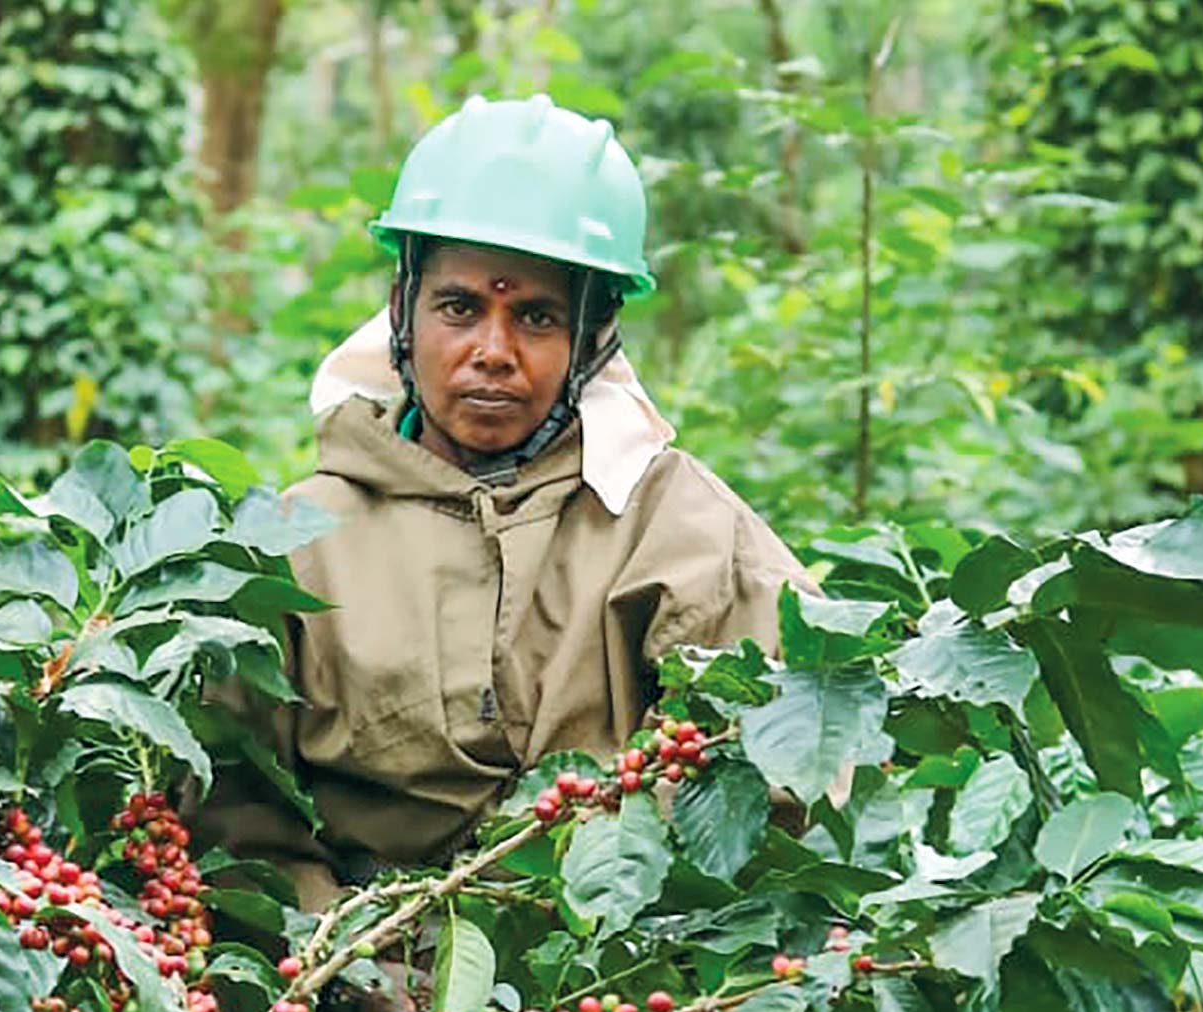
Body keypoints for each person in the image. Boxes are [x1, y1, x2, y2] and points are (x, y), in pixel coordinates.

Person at [196, 95, 812, 913]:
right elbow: (236, 826)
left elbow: (776, 768)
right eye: (459, 308)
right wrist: (351, 965)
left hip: (612, 991)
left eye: (536, 316)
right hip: (348, 1004)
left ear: (593, 336)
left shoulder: (676, 524)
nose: (493, 351)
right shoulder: (297, 544)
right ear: (402, 312)